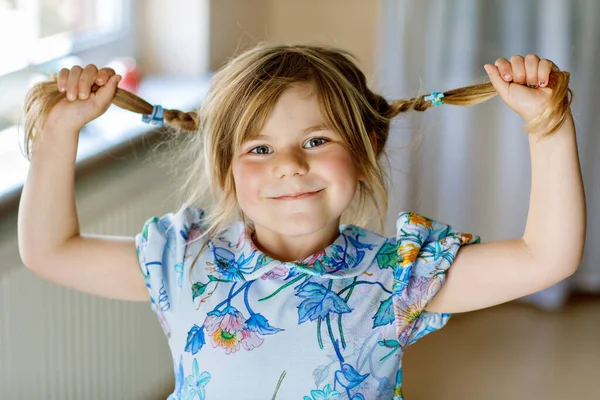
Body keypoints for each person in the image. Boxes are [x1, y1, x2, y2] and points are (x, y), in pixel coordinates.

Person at [17, 43, 585, 399]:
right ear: (226, 168)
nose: (289, 166)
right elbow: (51, 250)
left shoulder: (398, 277)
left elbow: (547, 257)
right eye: (258, 149)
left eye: (316, 140)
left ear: (367, 149)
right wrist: (59, 134)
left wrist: (548, 126)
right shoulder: (186, 261)